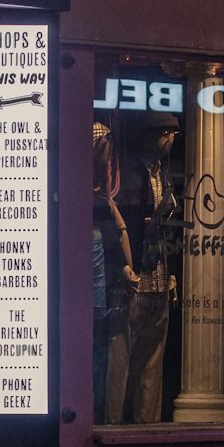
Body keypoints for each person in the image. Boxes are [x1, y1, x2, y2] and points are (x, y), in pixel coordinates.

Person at [104, 112, 180, 423]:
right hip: (133, 277)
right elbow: (110, 222)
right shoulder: (127, 175)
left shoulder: (163, 172)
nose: (172, 141)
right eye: (169, 135)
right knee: (120, 361)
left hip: (159, 275)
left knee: (152, 360)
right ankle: (111, 426)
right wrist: (123, 266)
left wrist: (171, 271)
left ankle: (147, 427)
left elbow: (167, 229)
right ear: (161, 135)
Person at [92, 123, 139, 420]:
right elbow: (107, 231)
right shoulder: (87, 188)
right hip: (96, 270)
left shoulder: (101, 187)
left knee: (102, 345)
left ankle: (100, 412)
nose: (110, 156)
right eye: (106, 148)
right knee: (96, 342)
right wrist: (124, 267)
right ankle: (95, 412)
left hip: (103, 271)